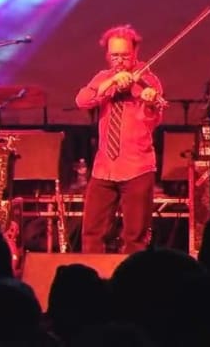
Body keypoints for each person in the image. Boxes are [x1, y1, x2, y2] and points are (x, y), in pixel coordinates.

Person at [75, 24, 163, 254]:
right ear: (107, 56)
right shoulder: (102, 77)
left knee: (135, 237)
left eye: (124, 56)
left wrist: (149, 101)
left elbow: (151, 121)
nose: (119, 61)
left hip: (137, 167)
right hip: (104, 167)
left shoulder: (148, 80)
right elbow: (83, 100)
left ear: (135, 54)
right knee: (92, 232)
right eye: (115, 56)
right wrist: (112, 83)